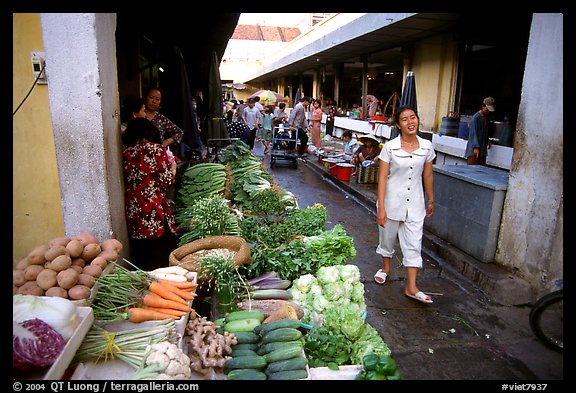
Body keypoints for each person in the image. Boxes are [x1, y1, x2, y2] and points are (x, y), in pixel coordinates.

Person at [374, 105, 436, 304]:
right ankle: (386, 268)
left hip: (416, 205)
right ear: (398, 125)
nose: (410, 122)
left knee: (413, 244)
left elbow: (427, 175)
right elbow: (382, 178)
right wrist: (381, 207)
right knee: (387, 239)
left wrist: (431, 198)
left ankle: (411, 287)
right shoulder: (390, 148)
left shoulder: (427, 146)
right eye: (404, 119)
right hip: (391, 202)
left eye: (413, 117)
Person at [122, 117, 179, 271]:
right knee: (160, 254)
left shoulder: (127, 152)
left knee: (142, 253)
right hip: (153, 208)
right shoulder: (155, 149)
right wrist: (173, 167)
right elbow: (167, 181)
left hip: (134, 207)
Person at [143, 87, 185, 153]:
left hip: (158, 154)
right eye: (151, 98)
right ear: (145, 99)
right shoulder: (139, 115)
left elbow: (180, 133)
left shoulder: (161, 118)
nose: (154, 101)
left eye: (157, 99)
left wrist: (166, 142)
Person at [465, 97, 495, 165]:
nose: (488, 111)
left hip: (482, 150)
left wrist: (487, 141)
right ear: (482, 106)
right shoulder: (476, 118)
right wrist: (476, 147)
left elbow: (484, 132)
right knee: (472, 170)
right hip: (474, 150)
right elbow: (473, 133)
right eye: (487, 109)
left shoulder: (485, 118)